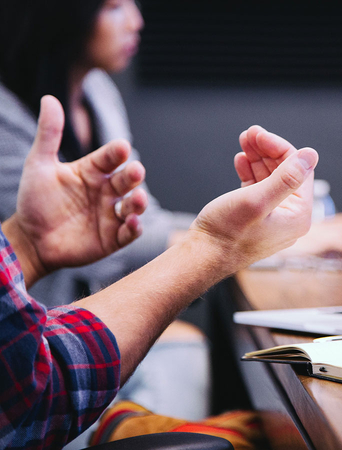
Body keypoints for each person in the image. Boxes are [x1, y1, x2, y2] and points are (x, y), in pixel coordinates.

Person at [0, 0, 342, 428]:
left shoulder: (97, 92)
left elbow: (136, 226)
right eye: (114, 6)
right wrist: (232, 244)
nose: (137, 20)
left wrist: (28, 245)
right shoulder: (6, 117)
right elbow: (38, 385)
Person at [0, 94, 319, 448]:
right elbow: (31, 387)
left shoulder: (97, 91)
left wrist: (26, 246)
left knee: (184, 347)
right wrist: (216, 246)